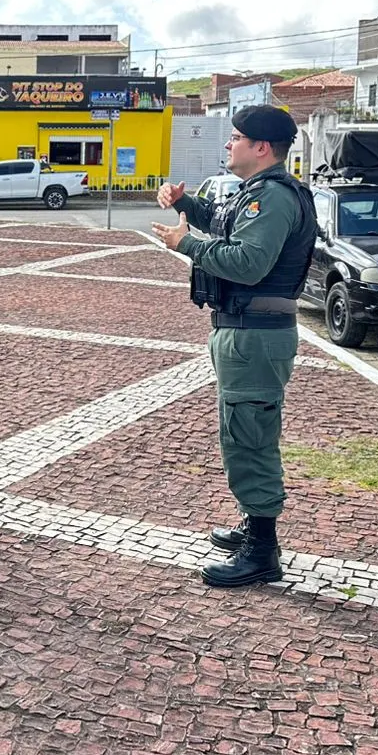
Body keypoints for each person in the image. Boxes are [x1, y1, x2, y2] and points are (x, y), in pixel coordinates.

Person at [151, 105, 316, 589]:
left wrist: (186, 244)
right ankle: (253, 523)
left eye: (237, 137)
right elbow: (226, 223)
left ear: (261, 148)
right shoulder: (257, 192)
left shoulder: (274, 198)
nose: (229, 143)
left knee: (249, 437)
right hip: (246, 332)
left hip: (255, 334)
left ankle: (262, 550)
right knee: (242, 431)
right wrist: (186, 203)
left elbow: (248, 263)